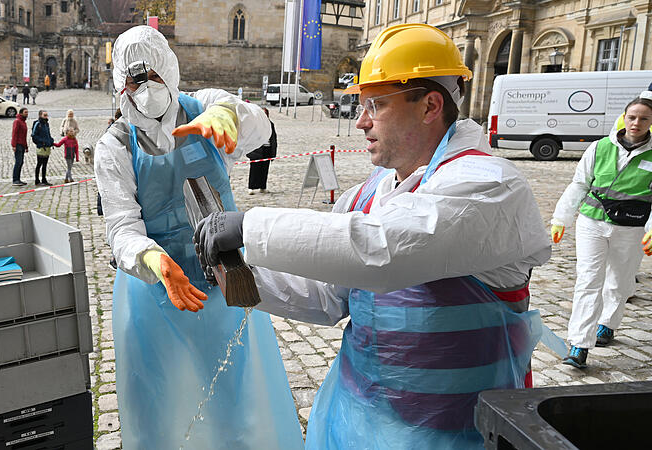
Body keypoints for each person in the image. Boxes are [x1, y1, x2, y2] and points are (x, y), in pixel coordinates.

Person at [195, 23, 559, 449]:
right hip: (358, 421)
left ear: (430, 105)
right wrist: (230, 275)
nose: (360, 122)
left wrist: (249, 226)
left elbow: (382, 250)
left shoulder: (490, 185)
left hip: (459, 435)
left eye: (376, 105)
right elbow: (327, 294)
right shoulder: (370, 191)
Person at [93, 26, 302, 450]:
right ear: (120, 85)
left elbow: (260, 129)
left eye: (150, 76)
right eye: (133, 81)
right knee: (154, 394)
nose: (144, 89)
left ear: (168, 71)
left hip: (223, 279)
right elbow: (121, 224)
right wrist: (152, 260)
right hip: (156, 289)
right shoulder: (114, 146)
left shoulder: (204, 107)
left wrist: (232, 115)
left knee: (230, 388)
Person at [550, 96, 652, 369]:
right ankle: (579, 345)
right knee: (588, 280)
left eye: (644, 118)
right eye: (632, 117)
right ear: (623, 117)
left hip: (630, 228)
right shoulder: (599, 147)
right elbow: (579, 184)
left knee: (619, 280)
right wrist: (561, 216)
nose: (636, 123)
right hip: (592, 222)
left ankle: (608, 323)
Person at [246, 107, 276, 194]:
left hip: (267, 149)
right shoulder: (254, 124)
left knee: (265, 169)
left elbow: (274, 138)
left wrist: (273, 152)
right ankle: (251, 187)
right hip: (256, 149)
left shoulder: (271, 124)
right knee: (254, 169)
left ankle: (263, 186)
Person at [31, 110, 54, 186]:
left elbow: (48, 134)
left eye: (47, 115)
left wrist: (51, 140)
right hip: (41, 147)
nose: (46, 117)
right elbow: (34, 136)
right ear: (40, 115)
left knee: (45, 165)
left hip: (47, 146)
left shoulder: (46, 124)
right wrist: (41, 142)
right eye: (44, 115)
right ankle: (37, 180)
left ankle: (44, 179)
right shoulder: (38, 124)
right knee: (39, 164)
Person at [10, 107, 29, 186]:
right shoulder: (17, 121)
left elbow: (24, 136)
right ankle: (15, 179)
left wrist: (26, 146)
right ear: (21, 113)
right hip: (17, 144)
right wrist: (14, 145)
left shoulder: (23, 122)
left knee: (21, 162)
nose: (27, 114)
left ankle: (18, 179)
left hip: (22, 144)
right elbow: (14, 133)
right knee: (18, 162)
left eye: (27, 112)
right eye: (25, 112)